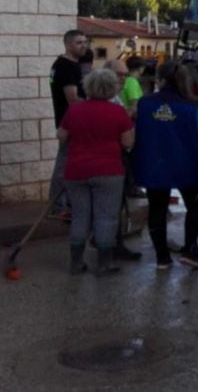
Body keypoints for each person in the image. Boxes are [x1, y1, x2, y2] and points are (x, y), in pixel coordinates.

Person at [58, 68, 134, 276]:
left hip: (76, 170)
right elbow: (128, 142)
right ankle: (103, 264)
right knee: (106, 217)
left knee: (80, 216)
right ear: (112, 89)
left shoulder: (74, 110)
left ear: (88, 87)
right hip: (108, 171)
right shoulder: (118, 112)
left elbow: (62, 136)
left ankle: (76, 263)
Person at [134, 61, 198, 270]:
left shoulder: (144, 103)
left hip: (154, 164)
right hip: (186, 164)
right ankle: (190, 250)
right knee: (194, 207)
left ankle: (162, 258)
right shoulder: (192, 106)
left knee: (157, 208)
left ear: (162, 80)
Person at [101, 60, 141, 261]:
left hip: (111, 159)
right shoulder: (108, 102)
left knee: (114, 205)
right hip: (112, 159)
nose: (123, 79)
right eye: (119, 74)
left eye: (125, 74)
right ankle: (109, 247)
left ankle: (111, 244)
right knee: (112, 206)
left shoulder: (114, 98)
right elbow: (125, 138)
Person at [48, 29, 88, 220]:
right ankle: (57, 206)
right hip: (70, 124)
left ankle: (67, 203)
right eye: (79, 42)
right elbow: (72, 99)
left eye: (85, 42)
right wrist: (94, 105)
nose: (84, 46)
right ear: (68, 45)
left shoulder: (66, 65)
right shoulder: (66, 67)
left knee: (72, 165)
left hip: (70, 123)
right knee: (64, 165)